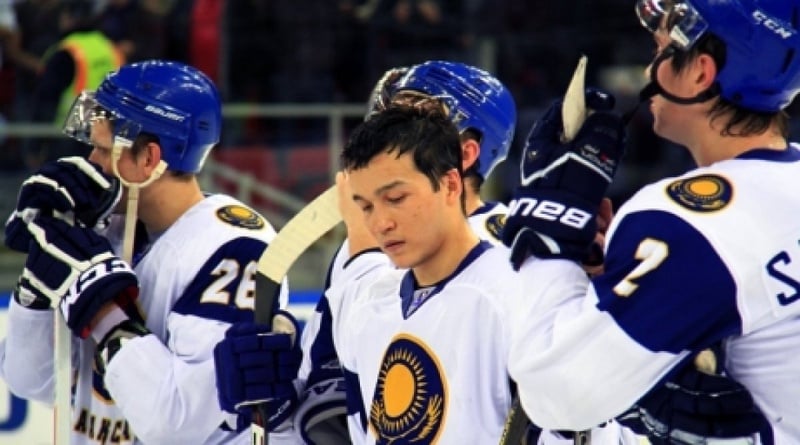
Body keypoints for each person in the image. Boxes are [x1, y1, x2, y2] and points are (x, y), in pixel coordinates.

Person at [501, 0, 800, 442]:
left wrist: (550, 232)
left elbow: (554, 394)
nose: (647, 72)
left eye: (661, 50)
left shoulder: (687, 221)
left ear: (700, 72)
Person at [0, 59, 292, 444]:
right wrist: (37, 282)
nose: (92, 162)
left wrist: (103, 310)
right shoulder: (103, 229)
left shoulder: (236, 249)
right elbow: (31, 382)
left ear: (150, 159)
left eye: (104, 150)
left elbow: (175, 423)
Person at [26, 0, 124, 168]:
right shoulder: (109, 47)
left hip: (67, 136)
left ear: (69, 18)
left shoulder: (68, 50)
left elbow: (47, 98)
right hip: (106, 135)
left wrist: (36, 145)